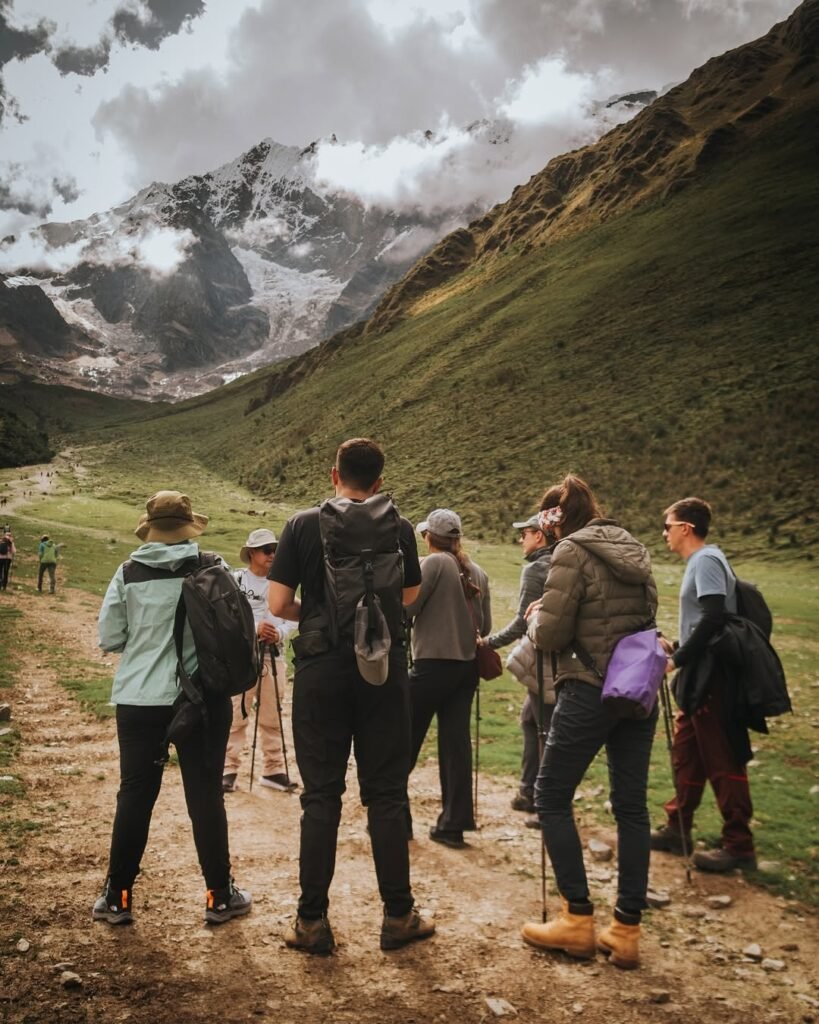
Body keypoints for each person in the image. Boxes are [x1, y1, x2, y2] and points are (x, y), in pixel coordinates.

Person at [268, 438, 434, 954]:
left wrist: (319, 613)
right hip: (382, 670)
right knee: (385, 794)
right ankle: (398, 915)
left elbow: (277, 602)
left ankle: (312, 921)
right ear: (380, 482)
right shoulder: (401, 526)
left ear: (333, 474)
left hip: (321, 671)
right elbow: (408, 597)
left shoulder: (301, 525)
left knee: (321, 796)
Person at [94, 490, 251, 926]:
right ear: (188, 526)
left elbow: (110, 637)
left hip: (139, 700)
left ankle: (118, 897)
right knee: (204, 797)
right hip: (201, 701)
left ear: (151, 527)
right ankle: (219, 896)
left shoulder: (127, 572)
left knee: (135, 796)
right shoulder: (212, 567)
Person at [521, 475, 658, 970]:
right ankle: (626, 931)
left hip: (588, 687)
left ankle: (576, 919)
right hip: (637, 687)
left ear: (554, 519)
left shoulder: (570, 553)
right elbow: (647, 614)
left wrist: (537, 618)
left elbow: (553, 634)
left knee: (551, 794)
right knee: (631, 806)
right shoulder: (633, 547)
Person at [650, 497, 755, 873]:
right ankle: (678, 828)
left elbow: (714, 618)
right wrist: (677, 645)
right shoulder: (701, 561)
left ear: (685, 528)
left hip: (712, 675)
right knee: (687, 752)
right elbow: (703, 625)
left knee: (721, 755)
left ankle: (739, 845)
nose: (664, 533)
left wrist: (676, 660)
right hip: (701, 671)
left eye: (668, 525)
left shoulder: (707, 560)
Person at [406, 508, 491, 849]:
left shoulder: (432, 564)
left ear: (429, 537)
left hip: (430, 666)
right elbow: (483, 627)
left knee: (404, 740)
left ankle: (395, 819)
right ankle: (453, 825)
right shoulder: (478, 572)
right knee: (455, 745)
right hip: (466, 668)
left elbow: (407, 609)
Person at [479, 512, 552, 816]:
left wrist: (488, 642)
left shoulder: (536, 569)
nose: (521, 539)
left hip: (544, 659)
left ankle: (543, 799)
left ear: (539, 535)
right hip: (559, 657)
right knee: (530, 719)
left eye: (525, 534)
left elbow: (523, 622)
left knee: (545, 728)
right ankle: (528, 790)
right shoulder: (560, 561)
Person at [223, 528, 298, 793]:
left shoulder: (282, 583)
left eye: (275, 550)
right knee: (235, 714)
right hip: (242, 657)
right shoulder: (235, 581)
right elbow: (227, 616)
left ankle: (274, 770)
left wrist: (278, 632)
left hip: (273, 656)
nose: (272, 555)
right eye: (266, 550)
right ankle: (228, 770)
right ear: (251, 553)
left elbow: (292, 615)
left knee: (272, 715)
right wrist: (254, 629)